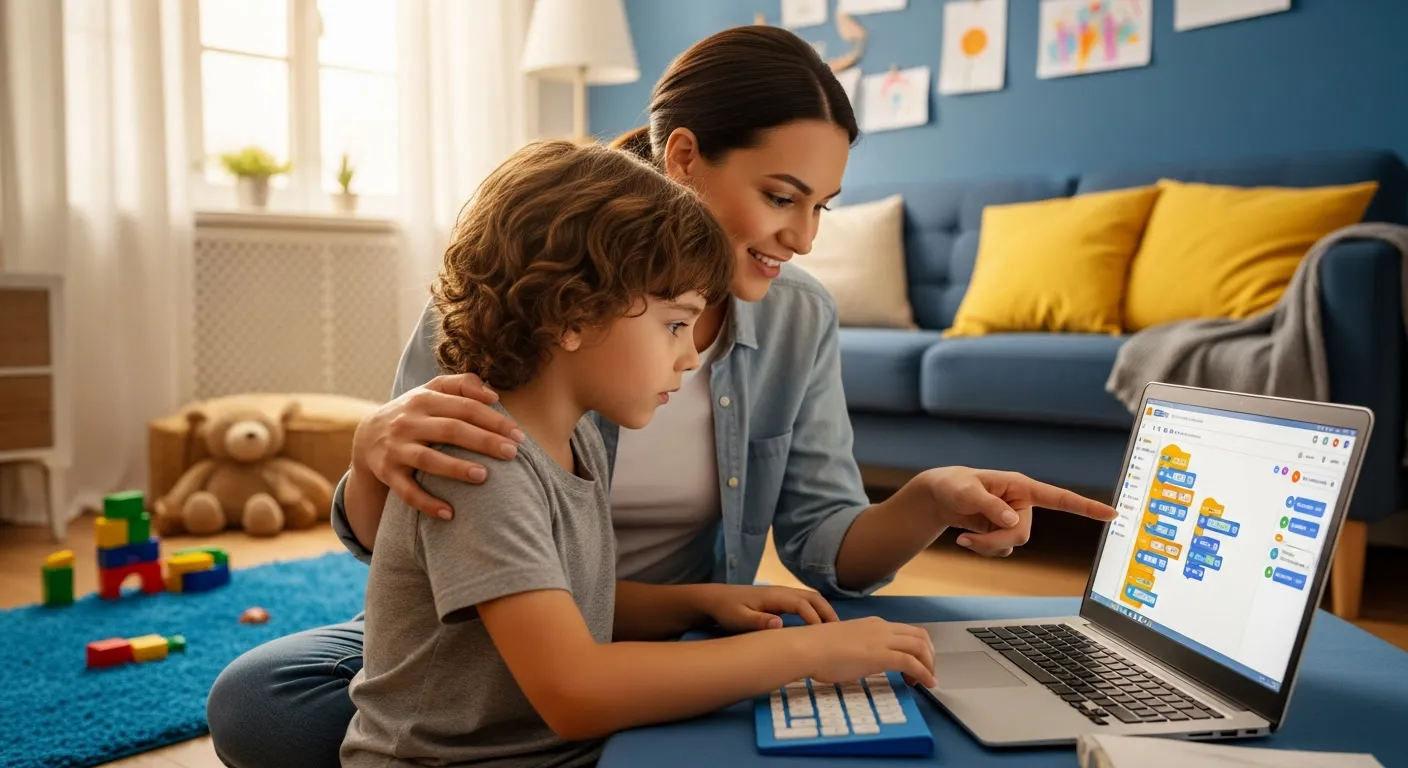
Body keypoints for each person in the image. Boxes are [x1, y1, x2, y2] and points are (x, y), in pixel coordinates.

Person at [207, 24, 1115, 768]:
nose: (801, 236)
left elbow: (823, 548)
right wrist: (373, 454)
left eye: (823, 207)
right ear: (684, 157)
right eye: (781, 196)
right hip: (510, 636)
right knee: (263, 700)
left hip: (638, 632)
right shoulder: (528, 307)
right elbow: (409, 543)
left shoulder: (793, 321)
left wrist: (922, 501)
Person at [339, 137, 937, 768]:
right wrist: (810, 655)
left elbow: (568, 601)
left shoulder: (576, 441)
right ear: (572, 314)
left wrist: (699, 601)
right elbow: (576, 691)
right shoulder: (481, 461)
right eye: (675, 325)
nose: (689, 355)